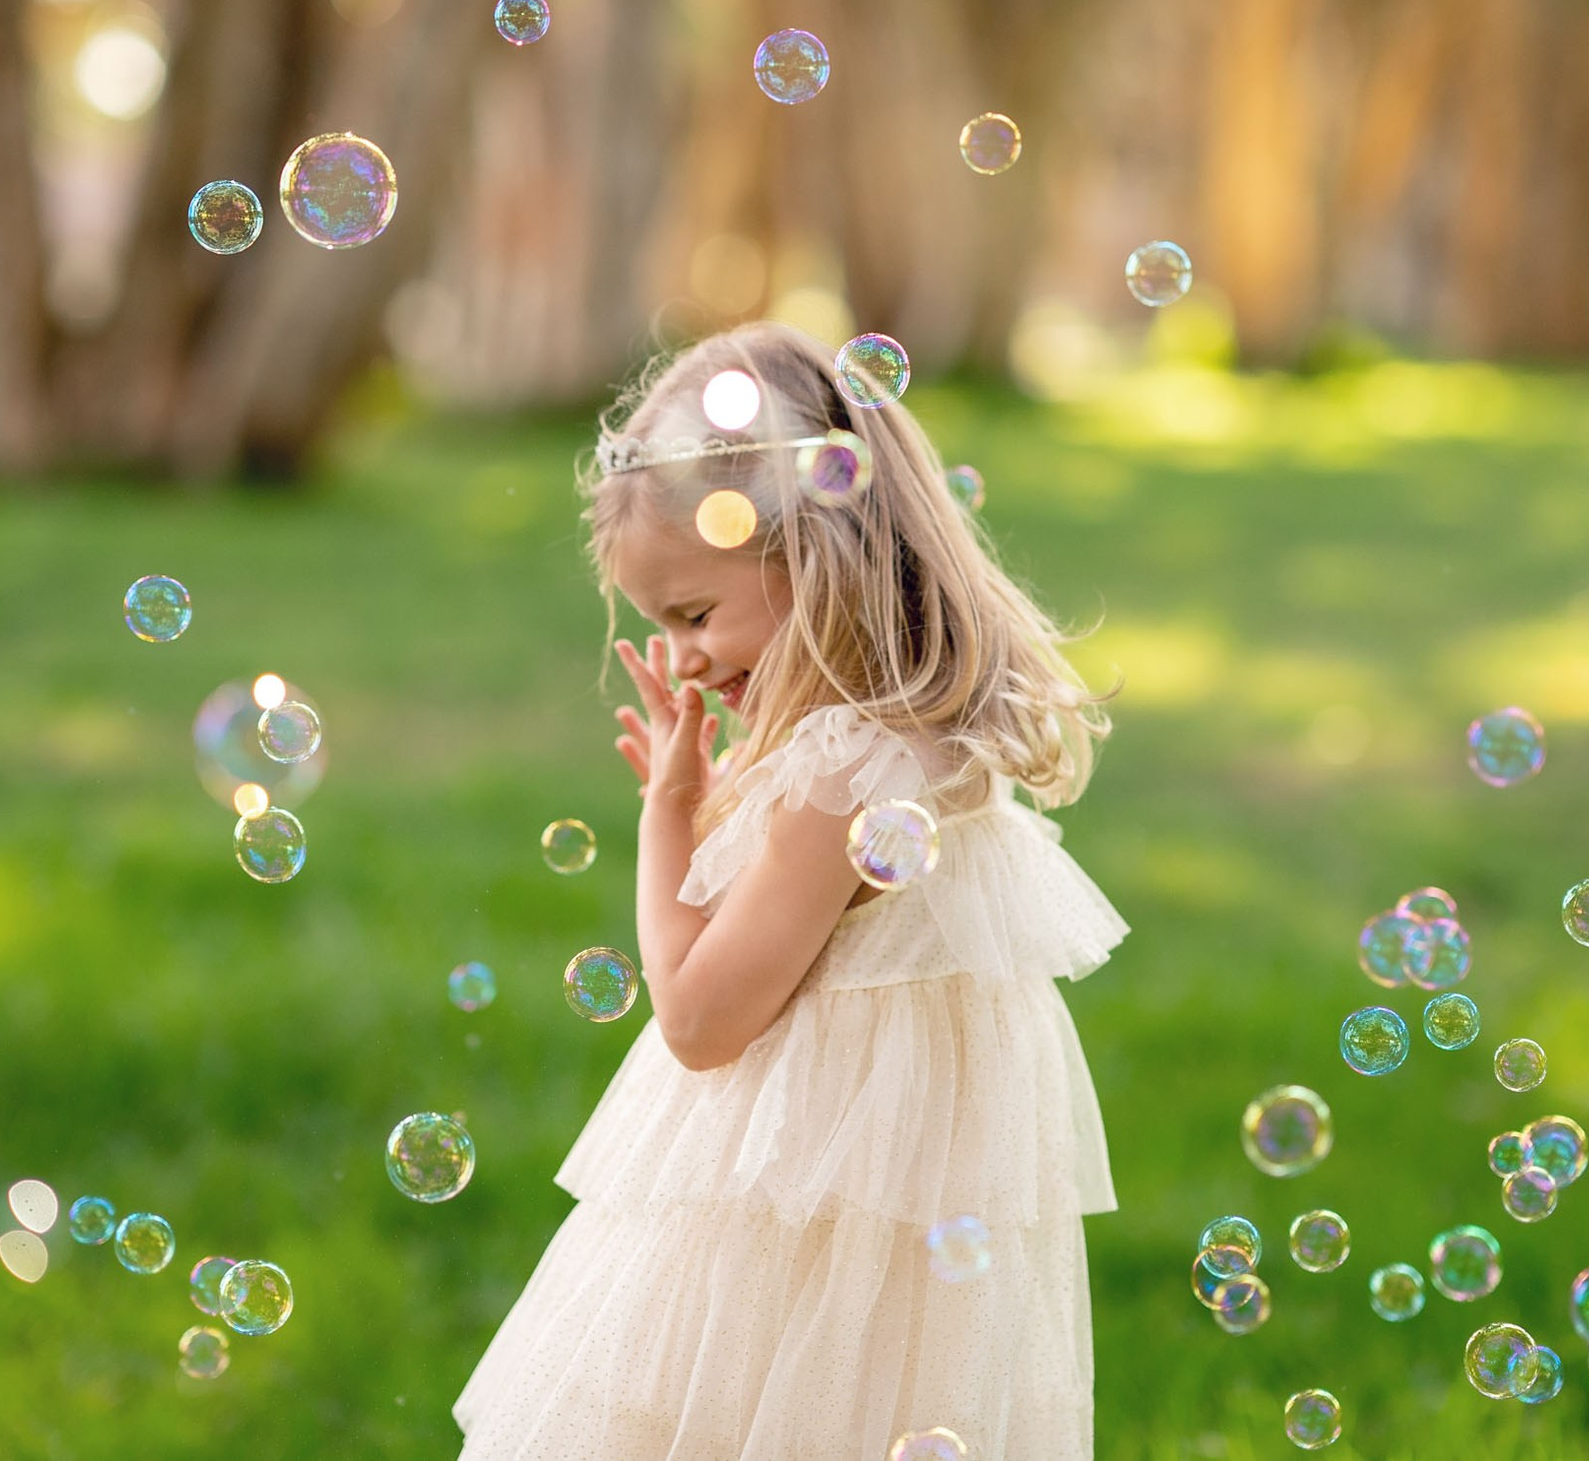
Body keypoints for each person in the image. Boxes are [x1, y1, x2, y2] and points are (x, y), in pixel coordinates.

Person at [454, 321, 1125, 1461]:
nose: (679, 662)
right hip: (886, 1239)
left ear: (816, 552)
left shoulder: (843, 773)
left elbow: (701, 1018)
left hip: (790, 1238)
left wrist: (666, 812)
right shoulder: (921, 747)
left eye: (695, 613)